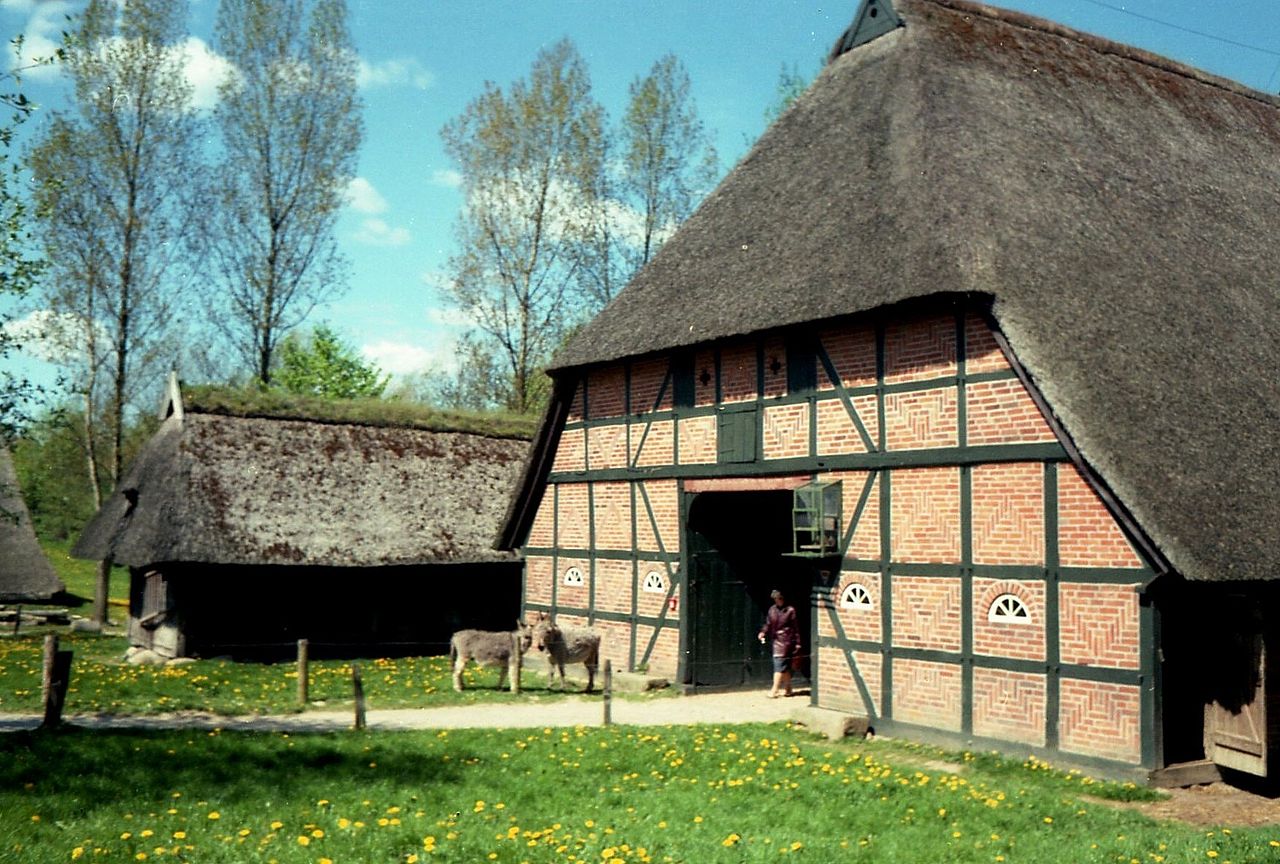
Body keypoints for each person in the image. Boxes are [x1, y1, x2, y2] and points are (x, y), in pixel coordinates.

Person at [758, 588, 800, 698]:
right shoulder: (772, 610)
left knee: (779, 665)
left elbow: (796, 628)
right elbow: (768, 623)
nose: (778, 601)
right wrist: (763, 632)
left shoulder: (790, 610)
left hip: (786, 641)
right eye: (776, 599)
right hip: (776, 640)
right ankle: (788, 689)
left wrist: (798, 643)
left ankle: (774, 689)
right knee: (783, 667)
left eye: (779, 598)